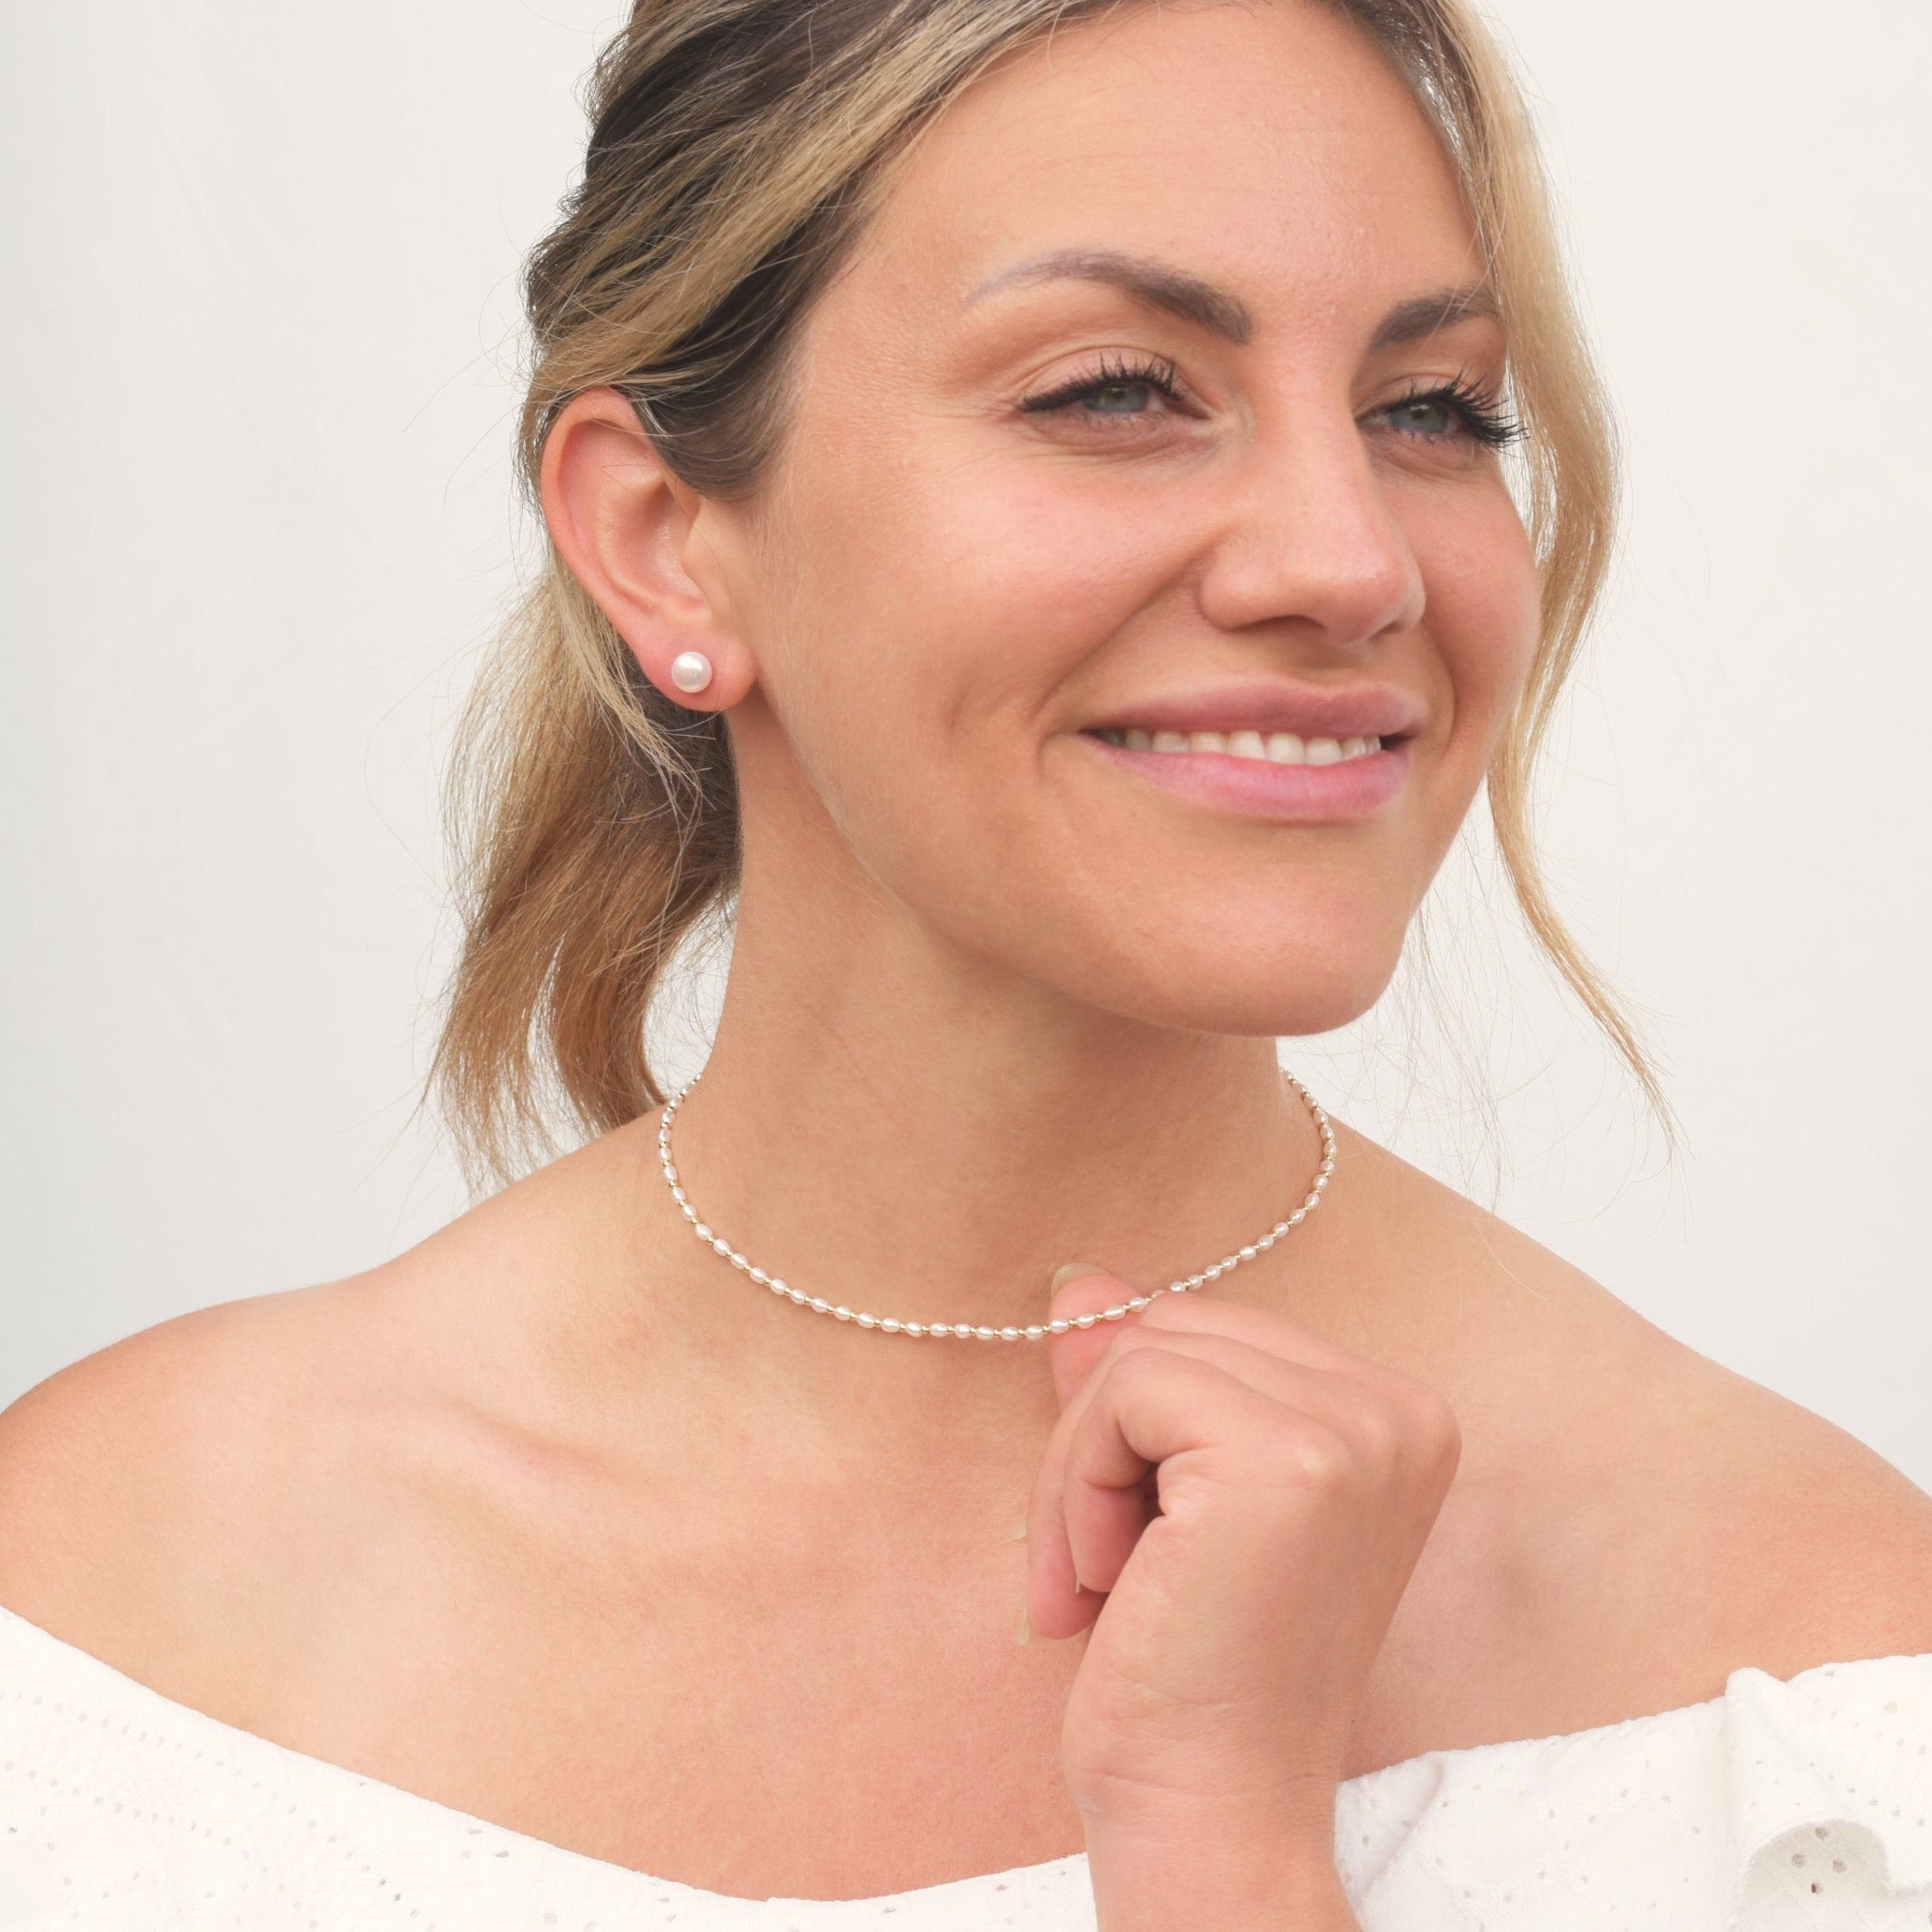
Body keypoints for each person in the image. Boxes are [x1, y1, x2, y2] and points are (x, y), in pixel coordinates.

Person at [3, 0, 1930, 1925]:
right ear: (666, 539)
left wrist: (1229, 1854)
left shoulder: (1812, 1678)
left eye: (1431, 409)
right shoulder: (108, 1613)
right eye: (1115, 389)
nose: (1351, 564)